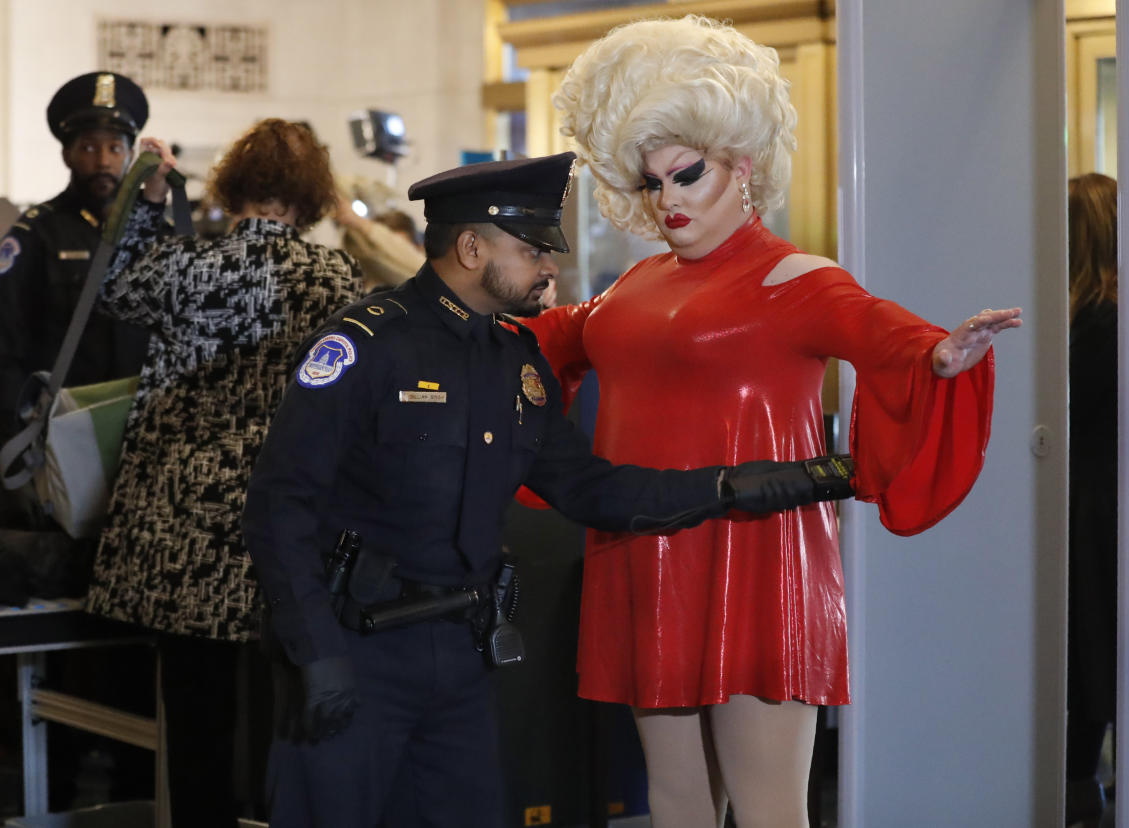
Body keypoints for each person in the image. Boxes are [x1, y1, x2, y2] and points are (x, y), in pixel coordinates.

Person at [240, 151, 861, 828]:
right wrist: (315, 651)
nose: (550, 267)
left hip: (462, 656)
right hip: (356, 651)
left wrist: (737, 486)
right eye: (533, 250)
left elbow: (591, 489)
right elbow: (279, 506)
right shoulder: (364, 347)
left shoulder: (515, 362)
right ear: (472, 247)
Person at [522, 16, 1023, 827]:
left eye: (686, 175)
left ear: (741, 164)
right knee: (675, 802)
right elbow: (551, 341)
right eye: (652, 184)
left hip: (756, 561)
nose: (669, 201)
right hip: (643, 550)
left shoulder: (796, 277)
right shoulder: (635, 285)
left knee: (767, 811)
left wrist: (940, 356)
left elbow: (881, 332)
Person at [84, 119, 365, 827]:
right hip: (283, 519)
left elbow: (110, 289)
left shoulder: (187, 265)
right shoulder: (333, 275)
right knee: (284, 703)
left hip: (180, 522)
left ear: (232, 186)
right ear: (310, 196)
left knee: (195, 711)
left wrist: (145, 199)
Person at [0, 71, 152, 530]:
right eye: (89, 148)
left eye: (114, 148)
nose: (103, 162)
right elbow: (1, 357)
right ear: (67, 153)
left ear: (132, 154)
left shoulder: (154, 237)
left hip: (135, 437)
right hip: (57, 439)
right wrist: (8, 444)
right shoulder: (34, 236)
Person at [1065, 172, 1118, 828]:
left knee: (1090, 645)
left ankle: (1080, 784)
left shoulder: (1093, 320)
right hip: (1108, 495)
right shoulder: (1117, 311)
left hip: (1091, 498)